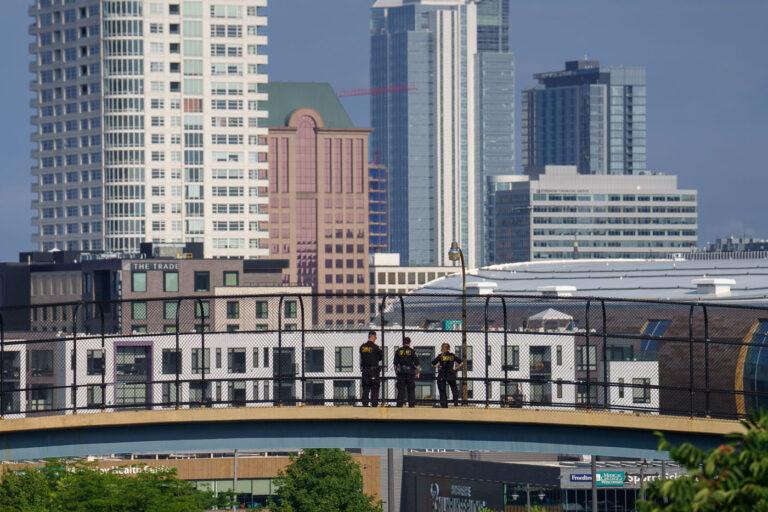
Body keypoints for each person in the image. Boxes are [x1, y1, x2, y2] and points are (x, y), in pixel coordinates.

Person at [431, 343, 464, 408]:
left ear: (442, 348)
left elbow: (432, 364)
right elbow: (461, 363)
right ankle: (455, 402)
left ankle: (444, 404)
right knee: (454, 388)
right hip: (451, 373)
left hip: (442, 374)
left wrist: (437, 366)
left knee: (442, 389)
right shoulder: (452, 356)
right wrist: (455, 368)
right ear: (449, 348)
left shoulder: (440, 356)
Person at [394, 337, 420, 407]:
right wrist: (417, 373)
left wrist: (396, 373)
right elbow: (417, 364)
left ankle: (399, 404)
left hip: (401, 372)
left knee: (401, 390)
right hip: (410, 372)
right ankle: (411, 404)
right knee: (411, 389)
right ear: (409, 343)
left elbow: (395, 364)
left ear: (403, 343)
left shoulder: (398, 351)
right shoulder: (412, 351)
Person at [359, 331, 383, 407]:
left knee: (366, 387)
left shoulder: (362, 347)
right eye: (375, 338)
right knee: (375, 387)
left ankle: (365, 403)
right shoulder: (376, 348)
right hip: (374, 371)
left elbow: (362, 356)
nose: (375, 339)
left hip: (365, 370)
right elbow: (380, 358)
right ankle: (374, 403)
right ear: (373, 337)